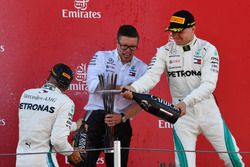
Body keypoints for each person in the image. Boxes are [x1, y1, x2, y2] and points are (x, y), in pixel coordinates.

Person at [122, 10, 244, 167]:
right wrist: (134, 87)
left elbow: (209, 84)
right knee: (184, 165)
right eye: (173, 31)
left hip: (208, 112)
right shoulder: (164, 51)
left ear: (193, 28)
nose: (176, 35)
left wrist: (187, 102)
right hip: (181, 116)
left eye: (180, 31)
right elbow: (152, 75)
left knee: (234, 160)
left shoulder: (208, 49)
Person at [83, 25, 148, 167]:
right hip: (95, 117)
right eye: (124, 46)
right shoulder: (101, 57)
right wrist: (122, 88)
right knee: (85, 163)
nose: (128, 51)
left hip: (120, 120)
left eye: (133, 47)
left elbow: (142, 102)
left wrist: (123, 117)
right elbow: (93, 86)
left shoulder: (142, 68)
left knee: (117, 165)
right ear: (117, 43)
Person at [16, 63, 82, 167]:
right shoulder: (65, 102)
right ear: (67, 86)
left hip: (21, 161)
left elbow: (42, 123)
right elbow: (58, 140)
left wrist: (75, 125)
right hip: (44, 161)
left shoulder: (26, 94)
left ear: (50, 76)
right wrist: (71, 152)